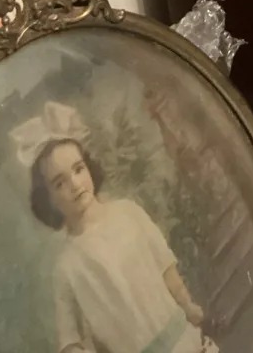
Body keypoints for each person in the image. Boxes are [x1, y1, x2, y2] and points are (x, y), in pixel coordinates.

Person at [13, 102, 217, 353]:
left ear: (89, 167)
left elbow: (165, 267)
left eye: (78, 169)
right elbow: (69, 339)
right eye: (59, 183)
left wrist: (187, 306)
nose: (75, 184)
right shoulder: (67, 267)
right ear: (49, 200)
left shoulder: (127, 212)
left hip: (183, 340)